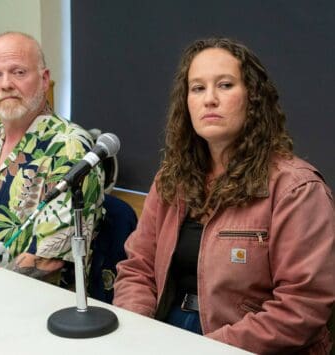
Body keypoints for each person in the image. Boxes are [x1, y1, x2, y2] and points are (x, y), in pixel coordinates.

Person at [113, 37, 334, 354]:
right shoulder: (170, 179)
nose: (210, 99)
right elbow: (138, 269)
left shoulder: (296, 188)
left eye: (226, 85)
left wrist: (205, 349)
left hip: (244, 344)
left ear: (253, 98)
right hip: (164, 328)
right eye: (198, 88)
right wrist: (137, 332)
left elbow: (301, 306)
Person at [0, 32, 104, 285]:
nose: (6, 84)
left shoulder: (70, 147)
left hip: (25, 301)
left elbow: (47, 262)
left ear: (44, 79)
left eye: (19, 72)